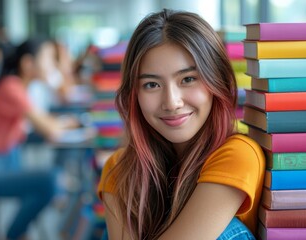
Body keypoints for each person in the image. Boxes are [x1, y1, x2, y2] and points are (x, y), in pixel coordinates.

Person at [97, 9, 265, 240]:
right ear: (134, 94)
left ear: (217, 81)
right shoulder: (120, 168)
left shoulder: (238, 154)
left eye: (188, 79)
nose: (172, 102)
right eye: (152, 85)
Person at [0, 37, 77, 240]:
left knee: (51, 181)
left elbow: (46, 124)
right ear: (28, 63)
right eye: (47, 58)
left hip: (7, 161)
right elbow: (49, 129)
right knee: (52, 180)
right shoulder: (11, 86)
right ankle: (13, 235)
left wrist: (60, 123)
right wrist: (62, 123)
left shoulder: (20, 87)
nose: (51, 65)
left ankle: (20, 232)